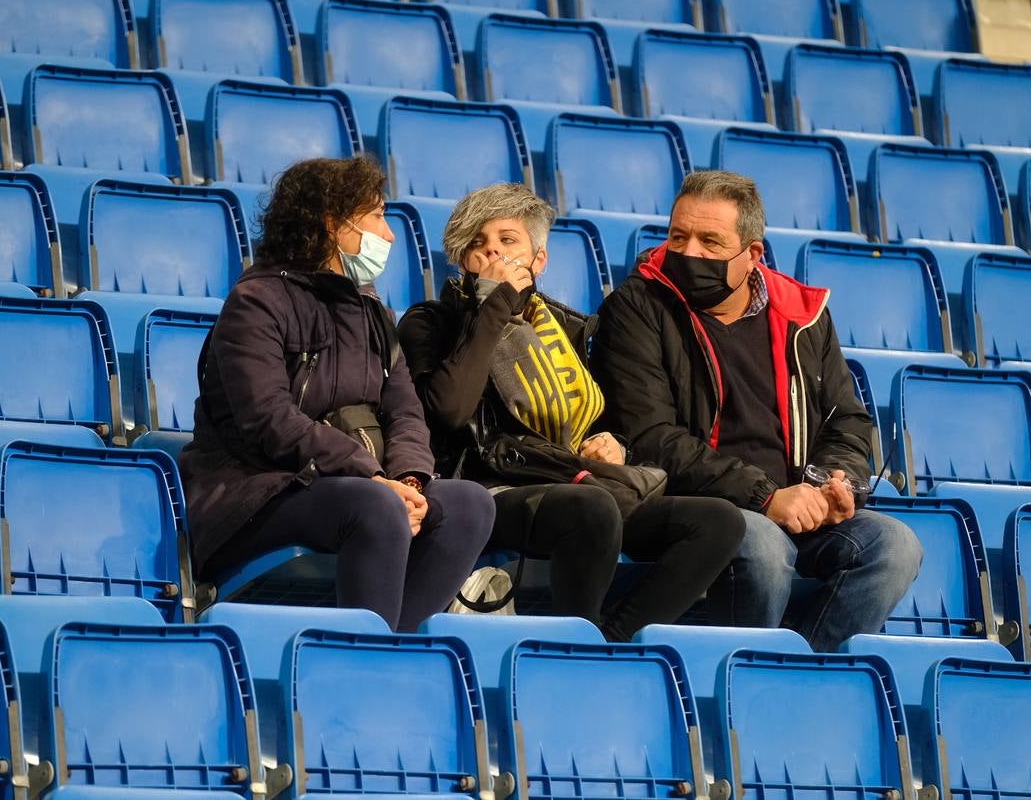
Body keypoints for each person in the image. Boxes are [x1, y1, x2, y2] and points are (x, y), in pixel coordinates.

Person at [397, 182, 746, 641]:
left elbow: (597, 415)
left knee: (719, 521)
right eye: (477, 245)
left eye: (507, 241)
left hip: (572, 476)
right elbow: (448, 412)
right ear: (463, 261)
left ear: (538, 259)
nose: (493, 255)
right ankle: (575, 646)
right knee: (591, 506)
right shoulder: (430, 322)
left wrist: (612, 443)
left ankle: (609, 642)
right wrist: (492, 309)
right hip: (487, 487)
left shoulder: (566, 327)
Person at [590, 170, 921, 651]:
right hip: (696, 507)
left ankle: (799, 677)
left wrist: (831, 486)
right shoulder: (636, 307)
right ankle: (745, 674)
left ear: (752, 254)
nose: (689, 253)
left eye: (710, 241)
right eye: (678, 236)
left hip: (791, 500)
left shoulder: (801, 314)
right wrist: (767, 496)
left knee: (894, 547)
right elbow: (651, 436)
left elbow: (846, 421)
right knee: (762, 547)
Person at [179, 156, 495, 632]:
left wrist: (409, 479)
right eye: (376, 216)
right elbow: (271, 421)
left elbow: (406, 412)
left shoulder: (373, 312)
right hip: (256, 491)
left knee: (469, 503)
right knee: (374, 506)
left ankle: (391, 650)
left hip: (357, 486)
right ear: (332, 223)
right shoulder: (256, 303)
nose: (388, 235)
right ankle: (365, 657)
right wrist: (371, 475)